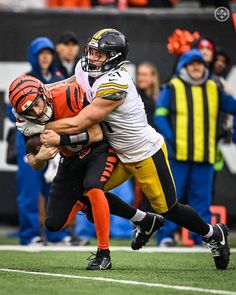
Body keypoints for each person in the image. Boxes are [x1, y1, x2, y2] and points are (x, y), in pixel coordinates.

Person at [17, 28, 231, 270]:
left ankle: (212, 233)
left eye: (99, 54)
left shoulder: (116, 83)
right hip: (116, 151)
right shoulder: (87, 69)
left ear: (114, 57)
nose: (92, 58)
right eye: (92, 52)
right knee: (87, 194)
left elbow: (82, 121)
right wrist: (40, 92)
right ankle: (143, 221)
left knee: (168, 209)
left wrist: (35, 124)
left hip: (143, 153)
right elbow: (67, 83)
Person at [9, 74, 164, 270]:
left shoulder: (68, 94)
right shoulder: (26, 121)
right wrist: (40, 157)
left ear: (44, 93)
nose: (37, 112)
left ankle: (103, 253)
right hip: (71, 159)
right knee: (54, 224)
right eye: (30, 111)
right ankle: (141, 218)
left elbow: (97, 134)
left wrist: (61, 140)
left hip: (98, 149)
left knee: (93, 186)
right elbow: (33, 162)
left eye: (37, 104)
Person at [154, 49, 236, 248]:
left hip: (205, 155)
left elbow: (233, 107)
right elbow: (159, 115)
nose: (197, 67)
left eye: (200, 64)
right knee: (171, 199)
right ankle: (165, 236)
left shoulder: (214, 87)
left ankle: (205, 237)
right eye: (192, 64)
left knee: (202, 200)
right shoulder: (173, 86)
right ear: (184, 66)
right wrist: (172, 139)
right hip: (178, 154)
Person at [136, 62, 159, 128]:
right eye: (139, 74)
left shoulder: (160, 96)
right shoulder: (134, 96)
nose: (140, 78)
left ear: (153, 77)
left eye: (144, 75)